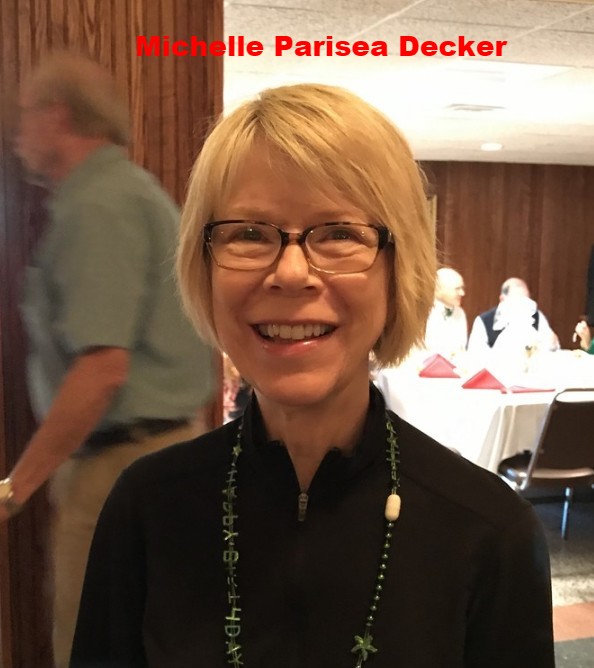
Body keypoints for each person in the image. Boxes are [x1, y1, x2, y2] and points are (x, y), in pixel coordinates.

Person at [70, 84, 554, 667]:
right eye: (250, 234)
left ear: (399, 268)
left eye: (339, 234)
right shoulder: (145, 509)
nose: (292, 273)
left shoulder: (490, 531)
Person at [0, 53, 214, 668]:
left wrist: (15, 489)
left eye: (25, 117)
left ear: (57, 116)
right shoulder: (128, 193)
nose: (17, 135)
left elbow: (101, 371)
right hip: (154, 453)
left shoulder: (98, 206)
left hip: (119, 464)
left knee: (93, 649)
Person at [467, 277, 559, 355]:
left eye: (526, 301)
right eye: (517, 301)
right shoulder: (484, 321)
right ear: (502, 299)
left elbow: (552, 345)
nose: (522, 305)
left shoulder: (536, 317)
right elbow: (475, 354)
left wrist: (551, 342)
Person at [423, 266, 468, 359]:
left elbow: (461, 348)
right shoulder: (423, 313)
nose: (462, 293)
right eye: (457, 289)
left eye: (462, 288)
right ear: (438, 289)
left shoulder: (460, 313)